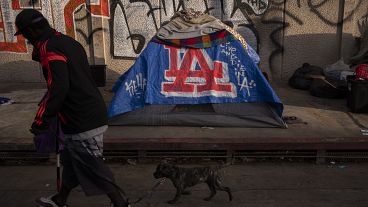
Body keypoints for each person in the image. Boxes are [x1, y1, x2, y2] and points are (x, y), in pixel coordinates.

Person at [14, 9, 129, 207]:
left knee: (92, 165)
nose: (26, 39)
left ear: (32, 31)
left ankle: (120, 203)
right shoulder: (67, 42)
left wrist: (41, 119)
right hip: (88, 112)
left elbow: (58, 88)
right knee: (71, 161)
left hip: (81, 119)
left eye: (25, 34)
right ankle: (60, 199)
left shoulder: (50, 49)